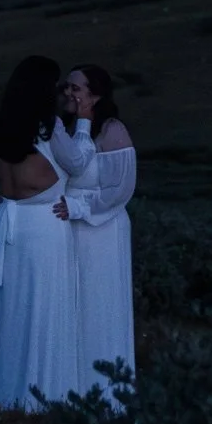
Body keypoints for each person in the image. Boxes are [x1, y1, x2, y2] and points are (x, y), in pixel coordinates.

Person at [0, 55, 81, 411]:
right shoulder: (52, 131)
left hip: (7, 223)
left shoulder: (1, 132)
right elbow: (80, 163)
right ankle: (39, 393)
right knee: (41, 309)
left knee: (4, 310)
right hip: (43, 227)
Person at [49, 64, 136, 400]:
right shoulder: (72, 129)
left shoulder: (113, 131)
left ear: (95, 95)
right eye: (65, 88)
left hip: (101, 231)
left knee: (98, 303)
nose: (68, 94)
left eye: (76, 88)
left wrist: (80, 209)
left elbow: (121, 188)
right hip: (68, 228)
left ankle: (103, 390)